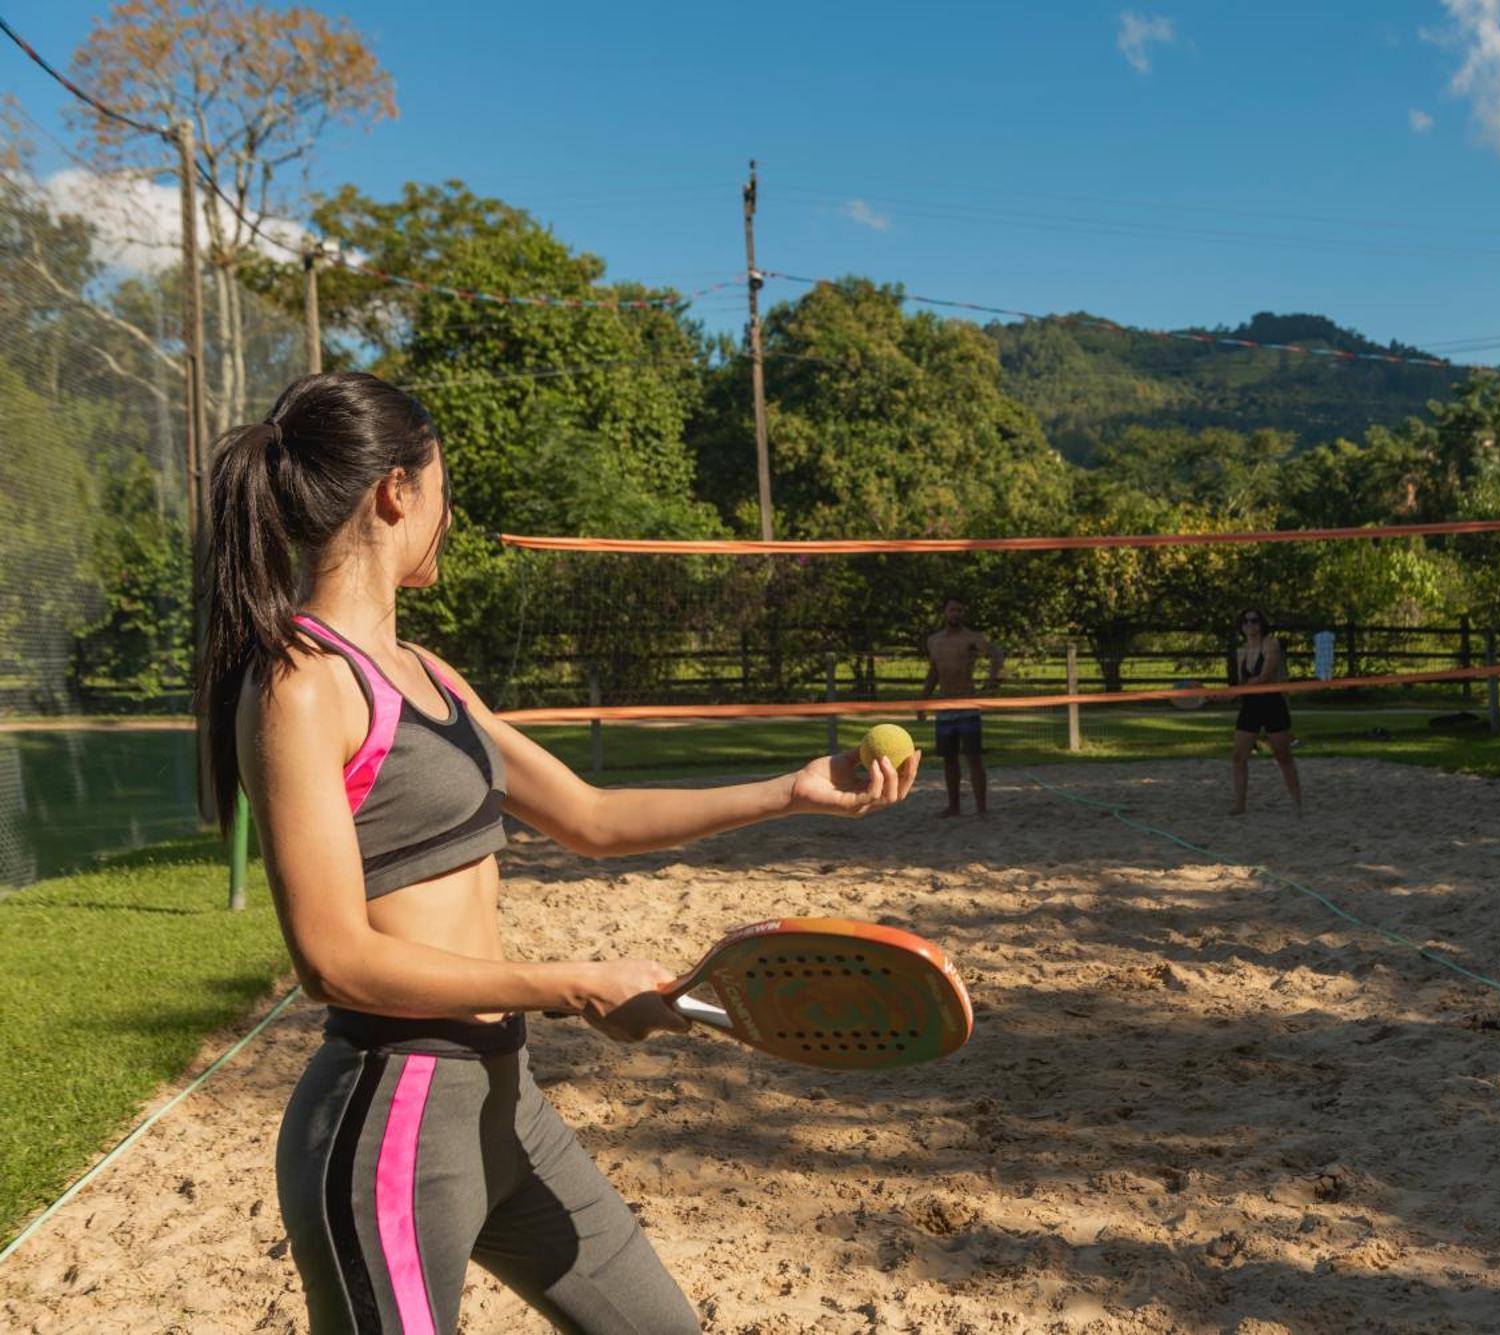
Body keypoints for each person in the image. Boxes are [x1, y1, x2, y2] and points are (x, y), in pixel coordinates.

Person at [196, 372, 918, 1334]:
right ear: (396, 492)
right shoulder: (299, 684)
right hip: (393, 1122)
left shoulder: (428, 672)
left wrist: (789, 792)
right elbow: (331, 959)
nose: (450, 515)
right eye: (443, 485)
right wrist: (574, 980)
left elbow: (586, 813)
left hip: (505, 1103)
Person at [919, 594, 1002, 816]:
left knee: (973, 756)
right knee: (949, 758)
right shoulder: (934, 641)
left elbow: (996, 653)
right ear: (944, 612)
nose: (955, 614)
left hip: (967, 702)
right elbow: (933, 673)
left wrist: (993, 677)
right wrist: (923, 701)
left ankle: (981, 808)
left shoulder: (971, 638)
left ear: (963, 613)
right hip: (945, 704)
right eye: (952, 610)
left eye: (959, 610)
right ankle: (954, 805)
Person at [1229, 609, 1302, 815]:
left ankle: (1297, 802)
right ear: (1241, 626)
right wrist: (1223, 695)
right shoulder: (1241, 651)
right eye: (1245, 621)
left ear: (1261, 624)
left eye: (1254, 620)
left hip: (1272, 703)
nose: (1250, 624)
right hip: (1251, 705)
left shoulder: (1271, 644)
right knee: (1238, 756)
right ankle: (1239, 805)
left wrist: (1237, 690)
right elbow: (1241, 683)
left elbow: (1265, 676)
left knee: (1283, 756)